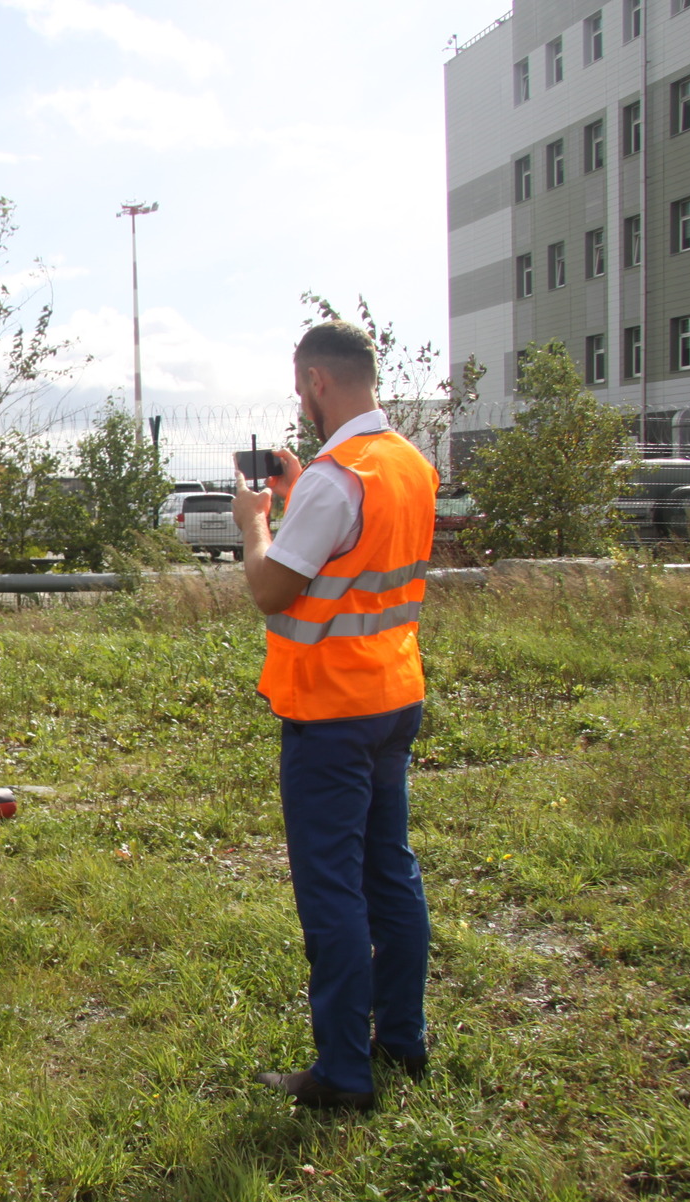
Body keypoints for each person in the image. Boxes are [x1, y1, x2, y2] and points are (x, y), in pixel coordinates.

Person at [231, 320, 438, 1111]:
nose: (300, 403)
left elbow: (271, 589)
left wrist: (257, 520)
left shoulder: (335, 475)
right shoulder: (406, 464)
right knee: (391, 869)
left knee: (332, 891)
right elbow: (357, 561)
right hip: (393, 694)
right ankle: (403, 1039)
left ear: (316, 381)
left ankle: (345, 1072)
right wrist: (296, 497)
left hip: (330, 710)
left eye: (300, 388)